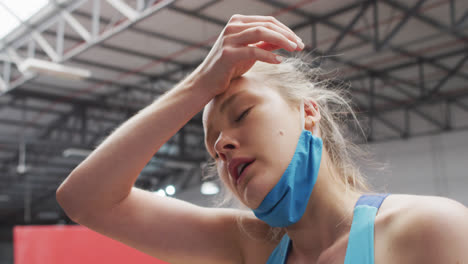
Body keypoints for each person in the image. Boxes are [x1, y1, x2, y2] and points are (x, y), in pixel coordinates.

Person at [56, 14, 468, 264]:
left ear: (308, 114)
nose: (221, 145)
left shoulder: (430, 230)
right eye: (211, 143)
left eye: (243, 114)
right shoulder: (247, 247)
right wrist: (199, 84)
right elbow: (85, 200)